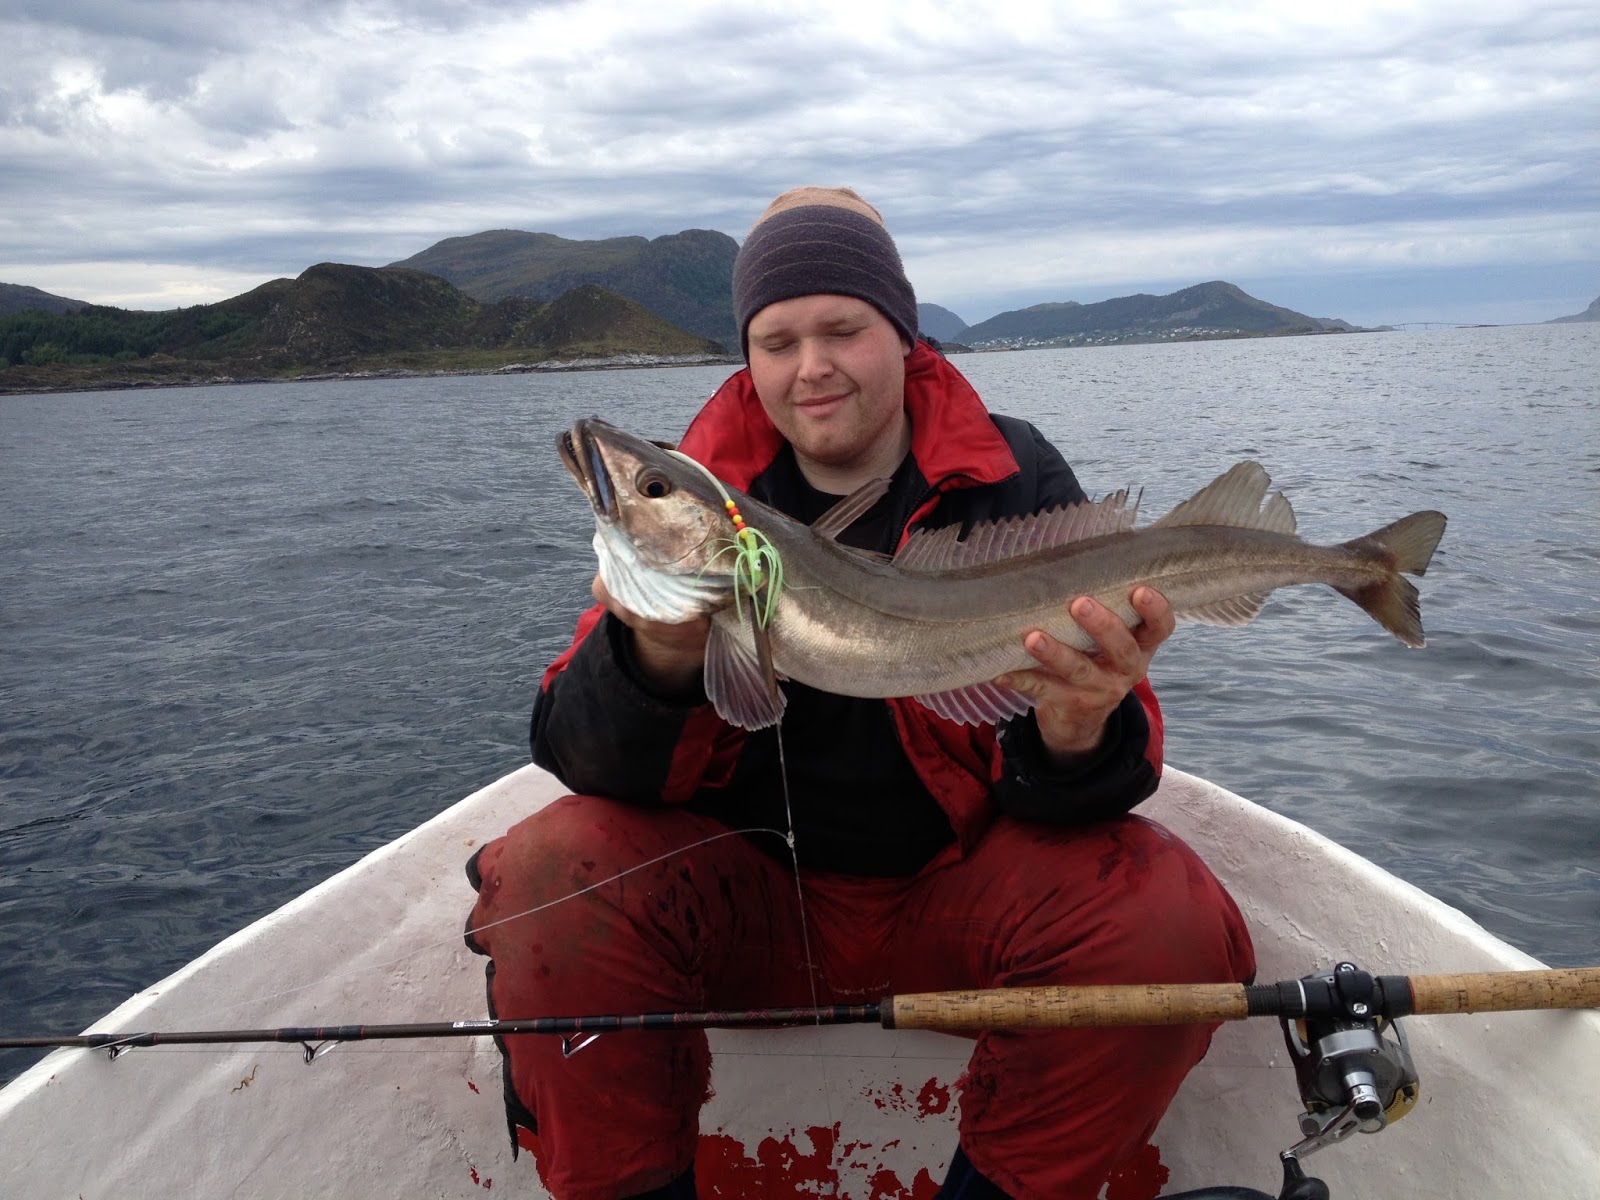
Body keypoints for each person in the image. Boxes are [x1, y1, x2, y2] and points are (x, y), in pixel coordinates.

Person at [465, 186, 1255, 1200]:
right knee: (551, 873)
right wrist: (657, 651)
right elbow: (579, 756)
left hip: (956, 903)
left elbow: (1110, 779)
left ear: (902, 333)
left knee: (1164, 920)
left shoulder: (1011, 475)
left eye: (843, 329)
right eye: (777, 340)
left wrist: (1074, 728)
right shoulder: (710, 484)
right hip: (742, 909)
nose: (812, 367)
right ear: (747, 357)